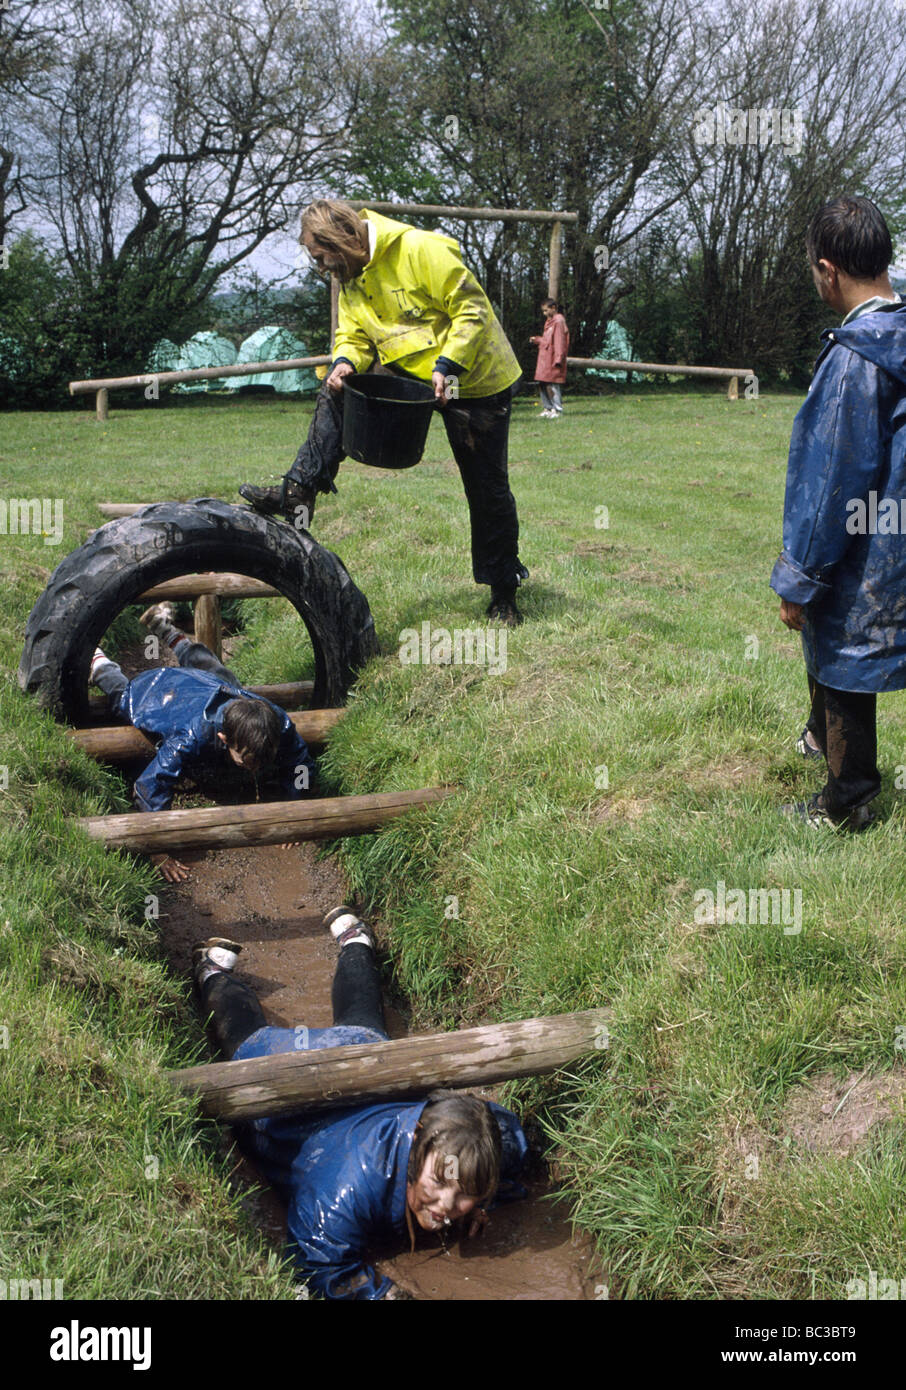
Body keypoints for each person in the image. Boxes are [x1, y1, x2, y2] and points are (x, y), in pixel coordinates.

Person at [193, 907, 528, 1300]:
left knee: (363, 1022)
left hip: (361, 1054)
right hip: (293, 1106)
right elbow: (315, 1265)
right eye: (438, 1183)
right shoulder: (344, 1188)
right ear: (418, 1141)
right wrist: (383, 1295)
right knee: (245, 1040)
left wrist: (486, 1197)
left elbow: (505, 1132)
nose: (445, 1206)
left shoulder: (483, 1146)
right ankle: (209, 972)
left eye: (464, 1193)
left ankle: (356, 941)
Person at [239, 200, 529, 626]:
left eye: (321, 257)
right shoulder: (351, 274)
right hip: (415, 373)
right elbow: (354, 333)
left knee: (485, 487)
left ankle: (503, 590)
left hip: (473, 377)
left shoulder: (420, 249)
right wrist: (345, 361)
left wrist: (447, 366)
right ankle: (300, 488)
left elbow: (473, 310)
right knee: (337, 386)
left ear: (342, 241)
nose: (320, 268)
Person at [770, 194, 906, 830]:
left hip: (866, 541)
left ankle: (847, 801)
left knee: (840, 644)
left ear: (828, 270)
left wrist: (799, 578)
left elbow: (830, 482)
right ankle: (820, 736)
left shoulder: (856, 359)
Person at [89, 603, 317, 880]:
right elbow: (151, 783)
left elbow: (300, 762)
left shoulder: (278, 722)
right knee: (122, 697)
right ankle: (98, 660)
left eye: (262, 760)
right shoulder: (191, 736)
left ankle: (165, 628)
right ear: (223, 738)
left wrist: (295, 809)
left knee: (210, 665)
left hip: (212, 685)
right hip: (162, 692)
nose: (256, 768)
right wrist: (156, 849)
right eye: (247, 760)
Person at [530, 298, 569, 417]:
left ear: (553, 308)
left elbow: (559, 342)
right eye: (543, 311)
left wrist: (558, 359)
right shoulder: (549, 322)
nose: (544, 314)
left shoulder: (558, 322)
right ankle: (548, 408)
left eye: (546, 311)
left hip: (553, 359)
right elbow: (547, 340)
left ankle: (557, 409)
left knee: (552, 384)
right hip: (544, 358)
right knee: (542, 383)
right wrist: (537, 340)